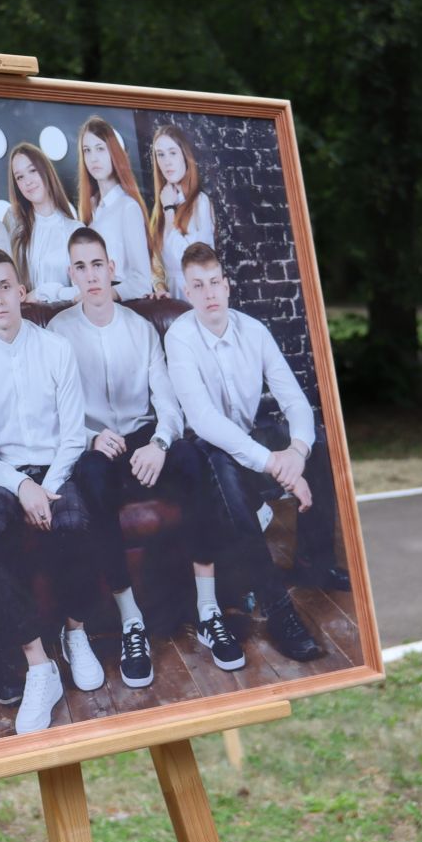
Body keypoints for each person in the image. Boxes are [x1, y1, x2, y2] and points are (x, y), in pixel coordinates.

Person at [49, 228, 239, 684]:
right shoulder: (57, 332)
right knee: (92, 478)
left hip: (143, 437)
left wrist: (160, 442)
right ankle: (131, 619)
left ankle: (209, 610)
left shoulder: (140, 327)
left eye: (98, 264)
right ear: (71, 274)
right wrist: (89, 438)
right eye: (81, 266)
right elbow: (56, 410)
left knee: (193, 458)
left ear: (112, 269)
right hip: (95, 445)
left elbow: (167, 401)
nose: (91, 275)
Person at [166, 242, 348, 665]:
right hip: (205, 447)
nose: (209, 293)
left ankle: (313, 562)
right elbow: (206, 420)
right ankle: (278, 608)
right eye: (198, 286)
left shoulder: (254, 331)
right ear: (187, 293)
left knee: (317, 437)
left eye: (215, 283)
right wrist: (275, 466)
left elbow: (296, 402)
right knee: (223, 468)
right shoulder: (179, 338)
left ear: (227, 287)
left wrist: (297, 454)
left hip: (248, 436)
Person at [0, 248, 103, 735]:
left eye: (5, 286)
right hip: (4, 474)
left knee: (76, 521)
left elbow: (73, 435)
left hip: (56, 468)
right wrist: (22, 487)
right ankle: (40, 666)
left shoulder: (55, 349)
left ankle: (76, 632)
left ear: (21, 291)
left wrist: (48, 488)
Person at [0, 142, 81, 303]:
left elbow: (83, 291)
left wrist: (43, 293)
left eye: (32, 171)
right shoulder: (13, 220)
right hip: (23, 317)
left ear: (46, 172)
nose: (27, 182)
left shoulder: (74, 230)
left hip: (63, 317)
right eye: (20, 177)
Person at [76, 117, 156, 298]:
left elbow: (142, 282)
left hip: (120, 306)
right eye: (86, 151)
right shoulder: (91, 210)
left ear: (113, 152)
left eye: (100, 149)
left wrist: (106, 293)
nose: (93, 158)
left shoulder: (128, 207)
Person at [148, 124, 215, 303]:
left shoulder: (200, 202)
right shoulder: (161, 205)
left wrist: (169, 210)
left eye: (172, 152)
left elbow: (188, 260)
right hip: (171, 301)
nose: (166, 161)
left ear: (185, 156)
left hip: (197, 298)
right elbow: (157, 264)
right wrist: (160, 287)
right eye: (160, 155)